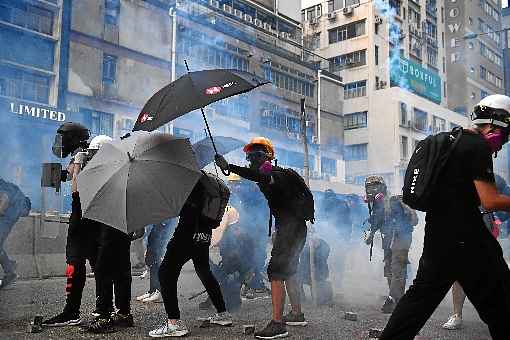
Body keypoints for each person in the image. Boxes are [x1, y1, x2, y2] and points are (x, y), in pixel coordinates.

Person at [379, 94, 510, 340]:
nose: (503, 143)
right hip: (469, 239)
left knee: (417, 303)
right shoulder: (477, 147)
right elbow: (490, 200)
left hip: (438, 235)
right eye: (506, 134)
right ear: (495, 124)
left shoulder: (450, 142)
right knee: (502, 304)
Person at [215, 136, 309, 339]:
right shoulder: (276, 174)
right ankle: (296, 314)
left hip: (291, 229)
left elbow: (261, 177)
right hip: (292, 228)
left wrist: (229, 166)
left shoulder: (274, 174)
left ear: (268, 157)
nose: (255, 159)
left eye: (259, 154)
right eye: (252, 155)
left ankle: (277, 324)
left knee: (275, 271)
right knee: (289, 269)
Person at [149, 176, 232, 338]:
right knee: (203, 270)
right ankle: (223, 314)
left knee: (166, 272)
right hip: (204, 232)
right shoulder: (203, 179)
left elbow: (181, 208)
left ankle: (174, 324)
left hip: (187, 232)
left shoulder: (186, 180)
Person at [442, 174, 510, 330]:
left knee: (494, 275)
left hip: (485, 237)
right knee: (459, 276)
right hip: (463, 236)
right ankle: (457, 315)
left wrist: (498, 220)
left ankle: (500, 316)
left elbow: (503, 202)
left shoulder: (492, 178)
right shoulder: (456, 178)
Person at [136, 219, 176, 303]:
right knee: (153, 257)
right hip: (157, 221)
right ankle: (152, 290)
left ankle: (159, 291)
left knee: (157, 256)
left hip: (164, 221)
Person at [0, 177, 30, 289]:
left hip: (11, 211)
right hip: (13, 209)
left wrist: (0, 210)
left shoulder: (3, 187)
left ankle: (10, 272)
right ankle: (9, 264)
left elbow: (4, 200)